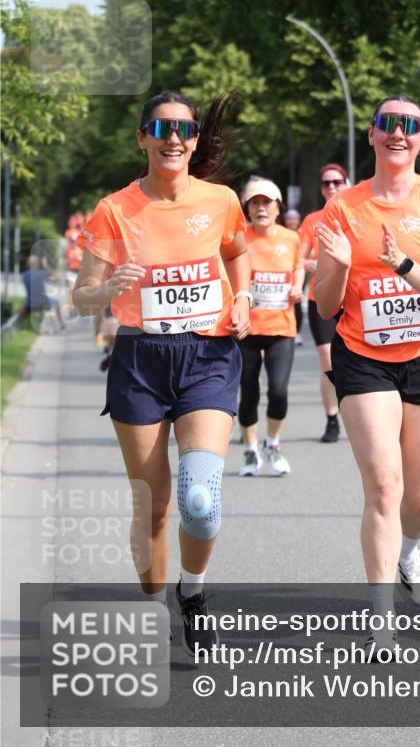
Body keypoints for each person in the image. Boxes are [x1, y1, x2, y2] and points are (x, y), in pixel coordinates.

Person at [73, 91, 252, 655]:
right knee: (153, 506)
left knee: (201, 500)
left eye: (183, 129)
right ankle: (152, 607)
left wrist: (243, 297)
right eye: (161, 127)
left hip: (208, 356)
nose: (172, 137)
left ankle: (193, 593)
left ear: (194, 139)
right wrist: (107, 288)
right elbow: (81, 297)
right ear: (143, 137)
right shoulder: (114, 209)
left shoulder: (221, 200)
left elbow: (237, 253)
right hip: (140, 361)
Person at [314, 96, 420, 659]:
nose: (398, 134)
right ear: (373, 135)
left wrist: (400, 264)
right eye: (388, 125)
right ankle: (381, 620)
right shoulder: (343, 209)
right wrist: (337, 263)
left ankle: (409, 552)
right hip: (363, 354)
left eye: (410, 127)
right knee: (384, 486)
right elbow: (327, 305)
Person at [237, 178, 304, 476]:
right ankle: (250, 451)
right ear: (247, 209)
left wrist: (298, 285)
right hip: (247, 329)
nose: (261, 208)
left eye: (267, 203)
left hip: (282, 326)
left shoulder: (291, 238)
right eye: (255, 203)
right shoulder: (238, 238)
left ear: (278, 208)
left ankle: (272, 443)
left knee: (278, 390)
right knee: (249, 391)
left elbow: (299, 266)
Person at [299, 164, 349, 442]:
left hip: (352, 300)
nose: (331, 187)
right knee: (328, 360)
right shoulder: (312, 220)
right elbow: (298, 257)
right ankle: (332, 418)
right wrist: (319, 263)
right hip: (320, 298)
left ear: (346, 183)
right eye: (326, 183)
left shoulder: (356, 212)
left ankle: (358, 414)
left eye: (337, 182)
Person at [19, 255, 66, 330]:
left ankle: (18, 324)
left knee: (24, 303)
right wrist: (46, 266)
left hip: (30, 304)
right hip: (43, 302)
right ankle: (61, 323)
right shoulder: (43, 273)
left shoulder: (24, 275)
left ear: (28, 264)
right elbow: (57, 278)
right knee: (56, 303)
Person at [284, 208, 304, 344]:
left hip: (297, 275)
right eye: (289, 219)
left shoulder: (302, 234)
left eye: (294, 219)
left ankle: (297, 332)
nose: (292, 221)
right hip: (282, 278)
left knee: (297, 306)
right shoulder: (281, 234)